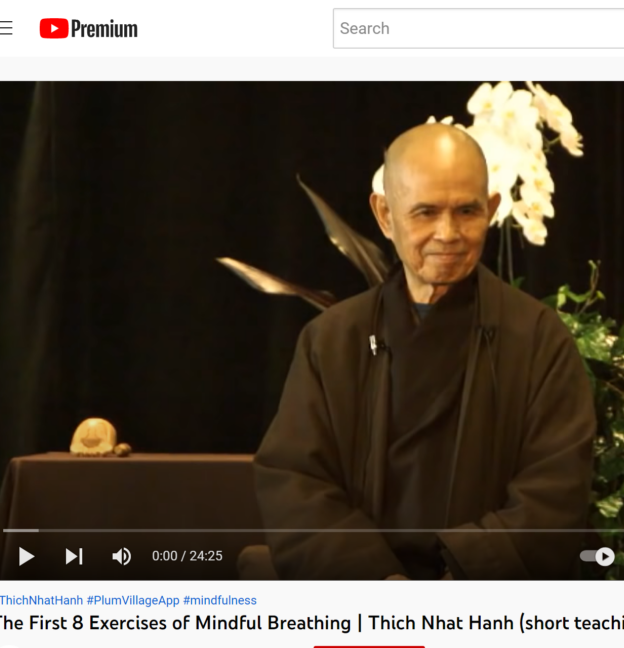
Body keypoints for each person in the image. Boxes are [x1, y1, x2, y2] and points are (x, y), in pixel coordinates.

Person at [241, 123, 596, 580]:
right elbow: (296, 483)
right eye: (425, 212)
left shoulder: (538, 339)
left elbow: (554, 494)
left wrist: (455, 586)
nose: (448, 233)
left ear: (491, 210)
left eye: (466, 211)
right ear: (385, 215)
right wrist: (383, 585)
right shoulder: (332, 340)